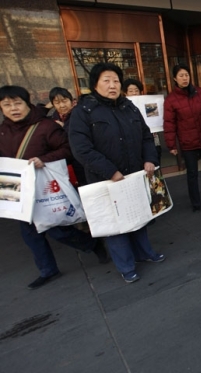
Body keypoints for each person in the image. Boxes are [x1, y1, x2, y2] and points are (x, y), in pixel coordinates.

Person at [0, 85, 109, 290]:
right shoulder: (3, 131)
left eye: (17, 103)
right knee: (30, 233)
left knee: (58, 230)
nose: (13, 108)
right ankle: (48, 270)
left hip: (44, 186)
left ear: (27, 104)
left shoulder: (45, 126)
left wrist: (44, 159)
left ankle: (91, 244)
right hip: (18, 189)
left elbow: (69, 148)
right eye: (6, 105)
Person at [68, 63, 165, 284]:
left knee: (139, 217)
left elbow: (146, 136)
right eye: (106, 80)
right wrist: (110, 171)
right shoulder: (84, 111)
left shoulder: (129, 107)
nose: (112, 85)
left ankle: (144, 252)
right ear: (95, 84)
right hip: (107, 179)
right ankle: (126, 266)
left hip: (134, 175)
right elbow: (81, 149)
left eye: (116, 81)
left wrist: (150, 159)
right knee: (116, 226)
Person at [164, 63, 201, 212]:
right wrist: (171, 145)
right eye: (181, 76)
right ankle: (196, 203)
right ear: (175, 79)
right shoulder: (171, 100)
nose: (185, 78)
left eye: (186, 75)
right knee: (192, 174)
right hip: (188, 142)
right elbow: (169, 123)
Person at [123, 78, 162, 164]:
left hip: (153, 139)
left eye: (136, 90)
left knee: (156, 162)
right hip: (135, 142)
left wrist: (156, 127)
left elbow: (154, 120)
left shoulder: (148, 104)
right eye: (131, 91)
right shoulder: (123, 108)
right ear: (125, 93)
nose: (134, 93)